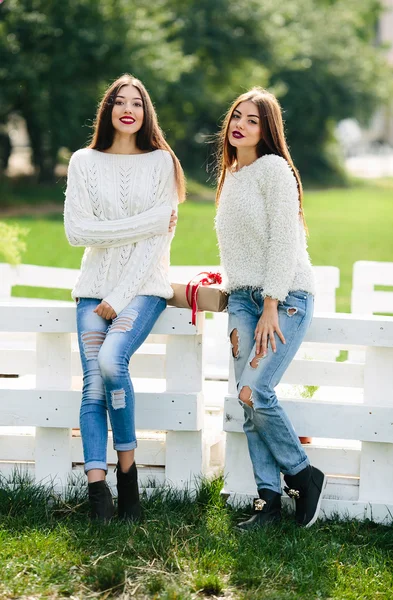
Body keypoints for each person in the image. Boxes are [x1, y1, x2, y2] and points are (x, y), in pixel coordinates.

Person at [64, 74, 184, 521]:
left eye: (137, 101)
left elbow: (157, 244)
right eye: (119, 101)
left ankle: (128, 477)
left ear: (146, 111)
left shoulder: (161, 163)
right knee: (93, 384)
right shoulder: (83, 161)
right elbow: (77, 232)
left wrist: (119, 294)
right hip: (90, 289)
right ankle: (99, 495)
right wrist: (147, 222)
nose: (128, 108)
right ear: (108, 110)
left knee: (113, 362)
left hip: (143, 290)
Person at [215, 88, 326, 529]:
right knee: (247, 402)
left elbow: (284, 240)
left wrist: (271, 305)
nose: (240, 124)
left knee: (254, 392)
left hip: (284, 296)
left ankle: (302, 473)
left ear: (268, 129)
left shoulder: (274, 170)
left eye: (253, 120)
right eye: (236, 116)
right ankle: (268, 502)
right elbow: (241, 246)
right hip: (242, 297)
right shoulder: (233, 175)